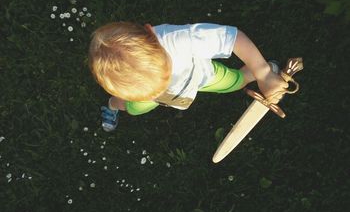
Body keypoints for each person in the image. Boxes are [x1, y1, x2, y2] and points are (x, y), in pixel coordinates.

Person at [88, 22, 288, 131]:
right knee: (130, 108)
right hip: (154, 99)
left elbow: (233, 38)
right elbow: (152, 92)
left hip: (200, 75)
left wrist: (262, 73)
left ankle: (262, 73)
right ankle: (112, 105)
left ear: (151, 31)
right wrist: (149, 95)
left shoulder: (181, 40)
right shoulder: (147, 91)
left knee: (236, 82)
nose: (165, 85)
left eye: (165, 73)